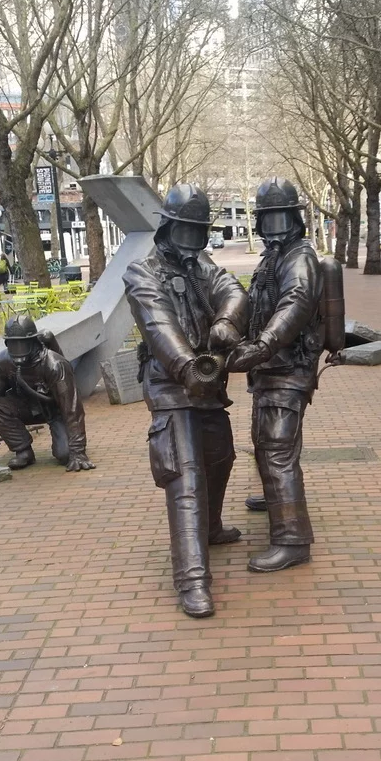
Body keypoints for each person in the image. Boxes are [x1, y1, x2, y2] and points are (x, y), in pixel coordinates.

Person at [123, 183, 249, 619]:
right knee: (187, 475)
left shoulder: (203, 267)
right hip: (170, 383)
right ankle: (192, 579)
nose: (192, 243)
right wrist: (187, 369)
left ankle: (210, 528)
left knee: (221, 456)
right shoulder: (142, 272)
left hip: (209, 381)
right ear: (168, 228)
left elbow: (233, 291)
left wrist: (228, 321)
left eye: (199, 235)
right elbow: (159, 326)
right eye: (186, 233)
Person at [226, 176, 324, 574]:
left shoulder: (299, 257)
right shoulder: (273, 258)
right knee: (265, 440)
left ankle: (292, 539)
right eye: (269, 220)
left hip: (287, 367)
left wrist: (263, 345)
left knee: (278, 449)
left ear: (295, 220)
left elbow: (296, 302)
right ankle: (276, 497)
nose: (275, 226)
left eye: (281, 218)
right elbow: (256, 302)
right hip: (269, 369)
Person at [0, 315, 95, 473]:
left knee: (65, 454)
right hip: (24, 407)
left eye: (22, 344)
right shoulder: (3, 361)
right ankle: (23, 450)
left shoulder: (54, 365)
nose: (17, 350)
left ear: (33, 341)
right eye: (13, 344)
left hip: (54, 410)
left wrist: (78, 451)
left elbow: (72, 409)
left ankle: (70, 448)